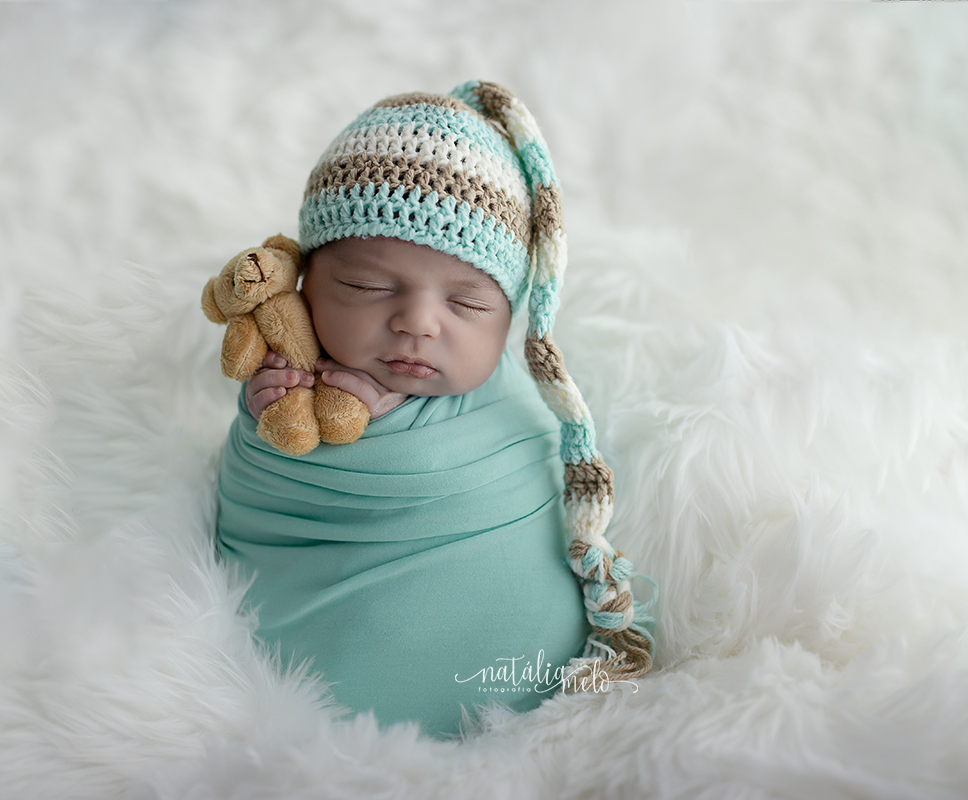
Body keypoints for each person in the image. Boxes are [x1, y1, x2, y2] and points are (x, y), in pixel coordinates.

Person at [214, 80, 654, 738]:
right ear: (305, 285)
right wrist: (272, 419)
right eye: (367, 285)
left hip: (534, 690)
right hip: (317, 705)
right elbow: (259, 502)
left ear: (510, 318)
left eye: (469, 302)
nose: (417, 323)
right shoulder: (285, 378)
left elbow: (553, 495)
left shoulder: (514, 399)